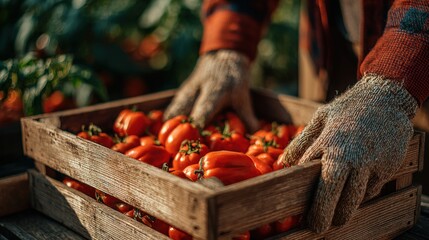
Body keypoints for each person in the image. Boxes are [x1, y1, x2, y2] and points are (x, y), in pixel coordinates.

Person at [164, 0, 429, 233]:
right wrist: (229, 39)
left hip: (418, 49)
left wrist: (395, 84)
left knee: (407, 197)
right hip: (325, 37)